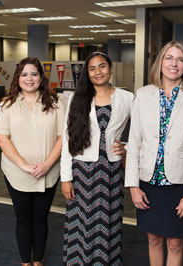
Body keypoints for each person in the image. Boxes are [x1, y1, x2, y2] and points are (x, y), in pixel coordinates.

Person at [125, 41, 183, 266]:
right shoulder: (143, 94)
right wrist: (133, 186)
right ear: (160, 62)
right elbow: (134, 143)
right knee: (153, 240)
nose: (174, 64)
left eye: (180, 59)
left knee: (175, 243)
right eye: (169, 58)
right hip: (148, 183)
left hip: (181, 184)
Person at [61, 52, 134, 266]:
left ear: (110, 69)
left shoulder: (126, 98)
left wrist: (126, 148)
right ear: (87, 72)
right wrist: (66, 178)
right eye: (92, 68)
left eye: (102, 66)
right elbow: (67, 139)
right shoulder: (77, 97)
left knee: (108, 222)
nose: (98, 72)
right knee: (80, 223)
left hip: (111, 171)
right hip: (82, 171)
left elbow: (142, 133)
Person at [0, 57, 66, 266]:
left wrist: (46, 165)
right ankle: (26, 262)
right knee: (23, 220)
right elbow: (1, 138)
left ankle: (38, 261)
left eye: (34, 74)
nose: (29, 78)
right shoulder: (7, 104)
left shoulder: (56, 102)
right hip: (16, 173)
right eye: (24, 74)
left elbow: (63, 138)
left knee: (41, 219)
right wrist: (24, 165)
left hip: (49, 171)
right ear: (18, 77)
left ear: (41, 77)